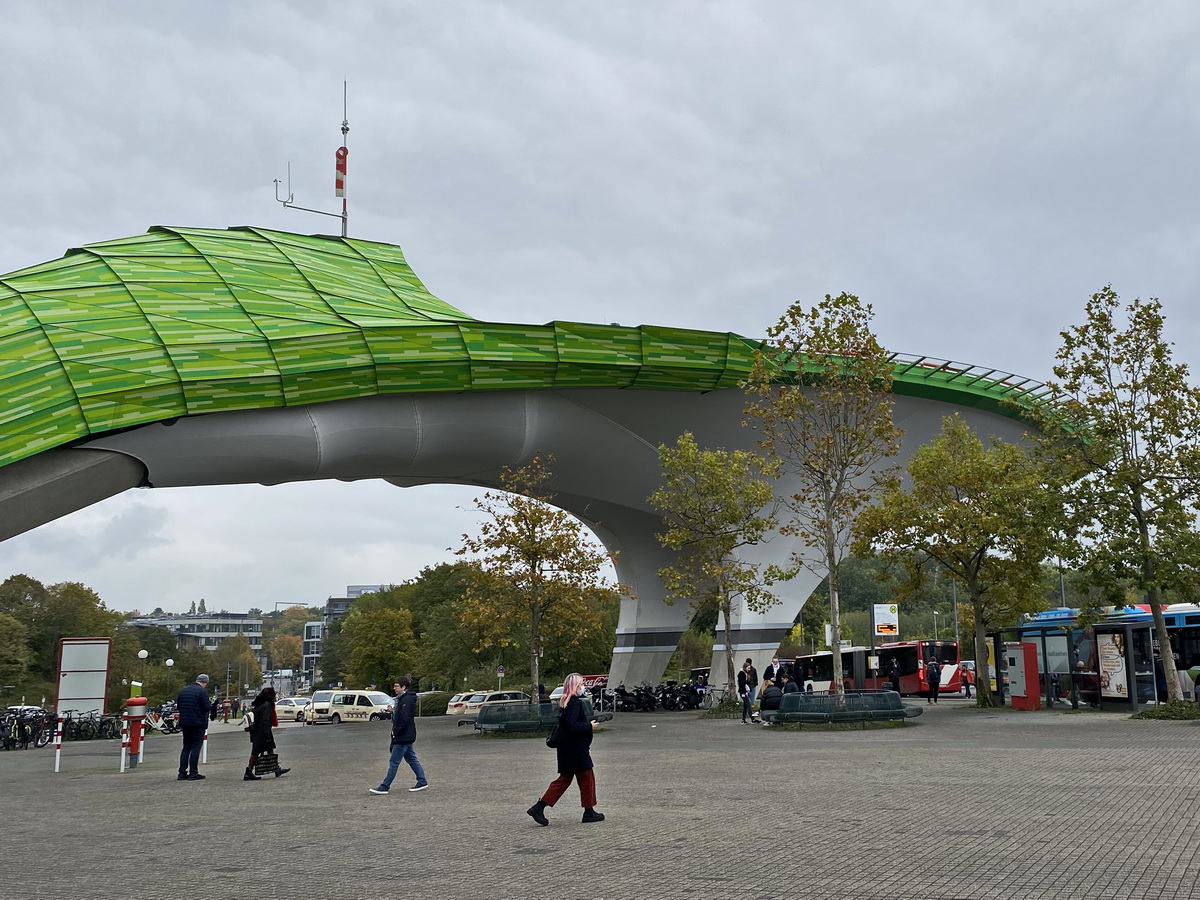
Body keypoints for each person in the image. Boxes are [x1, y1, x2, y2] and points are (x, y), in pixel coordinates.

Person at [527, 673, 604, 826]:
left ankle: (540, 807)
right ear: (575, 686)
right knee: (587, 778)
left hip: (566, 749)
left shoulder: (565, 702)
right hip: (576, 749)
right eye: (581, 684)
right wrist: (589, 726)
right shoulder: (574, 703)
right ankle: (588, 811)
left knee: (564, 779)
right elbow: (573, 726)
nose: (583, 687)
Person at [370, 676, 429, 795]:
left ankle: (385, 786)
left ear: (404, 687)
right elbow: (402, 716)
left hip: (403, 735)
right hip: (407, 735)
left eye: (397, 686)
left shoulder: (406, 700)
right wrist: (393, 712)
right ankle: (422, 780)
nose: (394, 688)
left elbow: (405, 719)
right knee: (411, 758)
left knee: (394, 762)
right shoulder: (403, 699)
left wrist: (396, 732)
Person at [245, 686, 290, 781]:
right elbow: (265, 721)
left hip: (256, 731)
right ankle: (248, 772)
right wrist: (268, 735)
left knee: (268, 750)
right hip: (262, 732)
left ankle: (276, 769)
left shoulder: (259, 704)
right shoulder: (267, 705)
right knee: (256, 752)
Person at [176, 674, 212, 781]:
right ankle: (193, 772)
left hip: (185, 723)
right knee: (196, 747)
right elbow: (206, 707)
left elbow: (179, 706)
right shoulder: (202, 692)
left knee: (186, 747)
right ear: (205, 682)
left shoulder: (183, 691)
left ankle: (182, 773)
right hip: (198, 723)